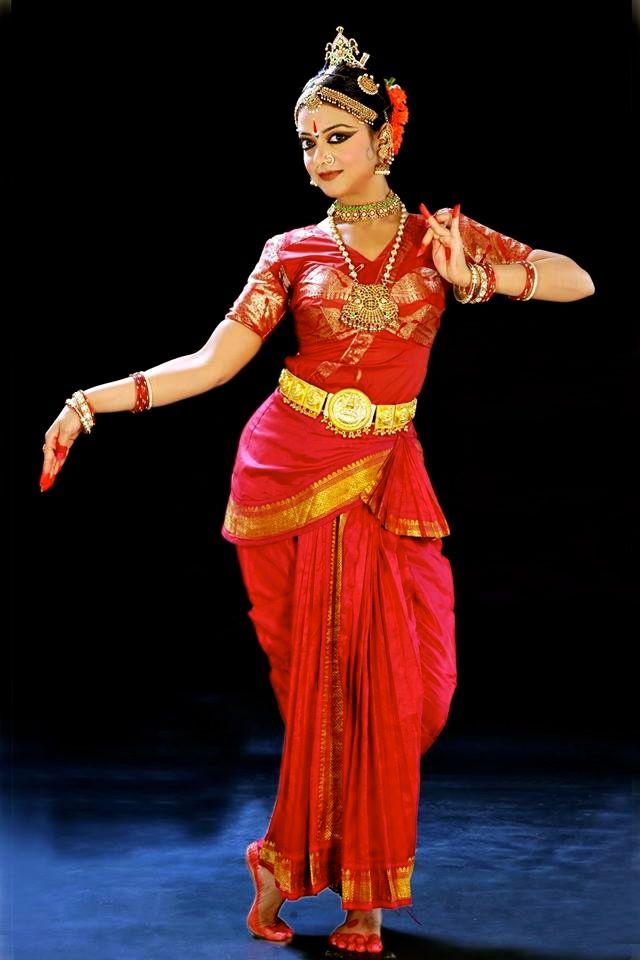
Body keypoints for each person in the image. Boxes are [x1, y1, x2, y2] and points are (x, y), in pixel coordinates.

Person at [40, 25, 595, 957]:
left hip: (386, 474)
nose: (319, 156)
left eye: (337, 136)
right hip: (292, 470)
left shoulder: (438, 241)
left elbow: (579, 281)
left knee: (410, 692)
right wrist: (89, 402)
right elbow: (216, 365)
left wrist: (483, 280)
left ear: (386, 138)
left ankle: (284, 860)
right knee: (333, 693)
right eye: (307, 141)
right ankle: (352, 898)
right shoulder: (290, 251)